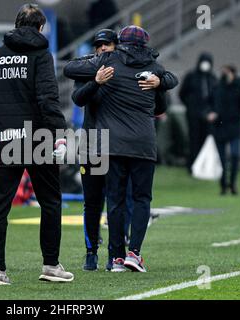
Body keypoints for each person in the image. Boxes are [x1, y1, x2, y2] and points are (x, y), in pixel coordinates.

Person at [0, 3, 74, 285]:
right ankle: (51, 266)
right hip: (38, 139)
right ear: (41, 28)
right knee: (50, 203)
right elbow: (47, 99)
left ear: (17, 25)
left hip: (5, 140)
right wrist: (60, 134)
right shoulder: (42, 55)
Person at [65, 25, 178, 272]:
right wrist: (96, 80)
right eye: (97, 46)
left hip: (111, 142)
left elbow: (167, 84)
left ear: (118, 45)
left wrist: (161, 81)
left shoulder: (112, 63)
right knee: (95, 201)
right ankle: (94, 252)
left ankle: (116, 254)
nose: (102, 48)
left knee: (120, 200)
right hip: (96, 142)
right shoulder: (101, 64)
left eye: (106, 45)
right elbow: (77, 93)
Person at [207, 65, 240, 195]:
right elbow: (209, 104)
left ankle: (232, 183)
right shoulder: (217, 88)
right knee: (221, 160)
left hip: (234, 128)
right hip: (220, 127)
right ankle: (223, 185)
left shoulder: (239, 88)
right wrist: (210, 113)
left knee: (234, 156)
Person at [179, 52, 218, 173]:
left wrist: (213, 110)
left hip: (208, 115)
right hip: (193, 114)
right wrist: (190, 106)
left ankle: (205, 165)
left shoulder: (212, 78)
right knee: (193, 140)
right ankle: (192, 165)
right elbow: (182, 93)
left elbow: (216, 96)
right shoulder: (191, 76)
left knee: (206, 139)